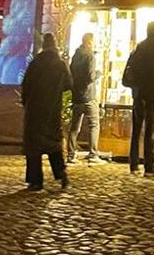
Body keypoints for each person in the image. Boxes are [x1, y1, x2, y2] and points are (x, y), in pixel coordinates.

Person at [20, 33, 73, 191]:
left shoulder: (35, 62)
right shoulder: (60, 64)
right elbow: (69, 84)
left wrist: (26, 103)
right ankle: (61, 173)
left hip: (35, 109)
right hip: (52, 108)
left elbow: (26, 84)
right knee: (53, 144)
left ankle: (35, 181)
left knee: (33, 146)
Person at [122, 20, 154, 175]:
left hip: (138, 92)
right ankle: (149, 164)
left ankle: (133, 163)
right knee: (150, 129)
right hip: (150, 93)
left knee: (136, 128)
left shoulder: (141, 46)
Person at [67, 32, 105, 163]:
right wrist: (98, 74)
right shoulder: (90, 56)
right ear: (90, 41)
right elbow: (90, 76)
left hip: (77, 96)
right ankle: (93, 154)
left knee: (74, 127)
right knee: (94, 124)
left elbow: (70, 73)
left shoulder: (76, 55)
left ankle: (71, 154)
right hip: (88, 96)